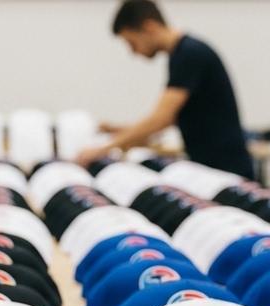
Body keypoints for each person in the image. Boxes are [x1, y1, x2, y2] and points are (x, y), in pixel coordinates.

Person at [77, 1, 254, 177]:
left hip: (227, 170)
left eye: (132, 42)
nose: (133, 52)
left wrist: (103, 149)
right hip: (215, 166)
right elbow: (170, 120)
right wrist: (119, 130)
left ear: (149, 27)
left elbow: (161, 119)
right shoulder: (181, 54)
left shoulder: (189, 54)